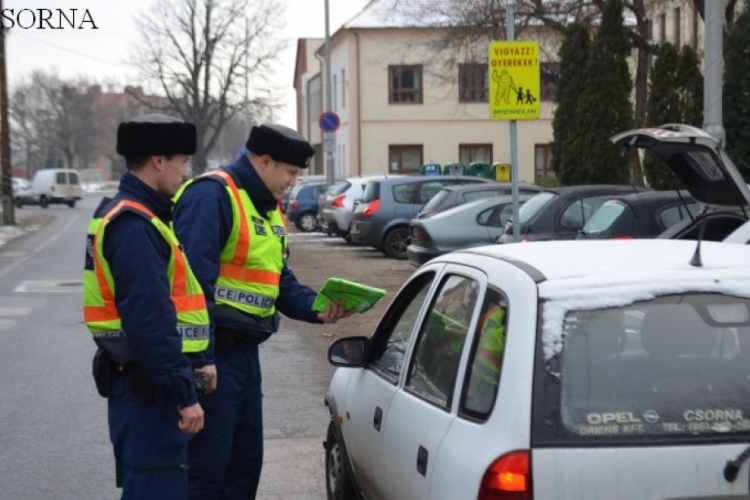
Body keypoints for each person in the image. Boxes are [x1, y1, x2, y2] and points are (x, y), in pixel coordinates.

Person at [172, 123, 355, 499]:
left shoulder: (268, 209)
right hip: (213, 359)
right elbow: (190, 288)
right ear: (266, 162)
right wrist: (201, 361)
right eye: (290, 173)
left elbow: (277, 279)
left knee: (244, 468)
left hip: (244, 357)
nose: (292, 182)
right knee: (206, 474)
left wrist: (317, 307)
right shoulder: (213, 196)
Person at [83, 114, 214, 499]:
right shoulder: (134, 224)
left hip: (144, 385)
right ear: (159, 160)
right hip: (150, 391)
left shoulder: (135, 214)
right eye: (183, 161)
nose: (186, 172)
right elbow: (150, 322)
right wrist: (183, 394)